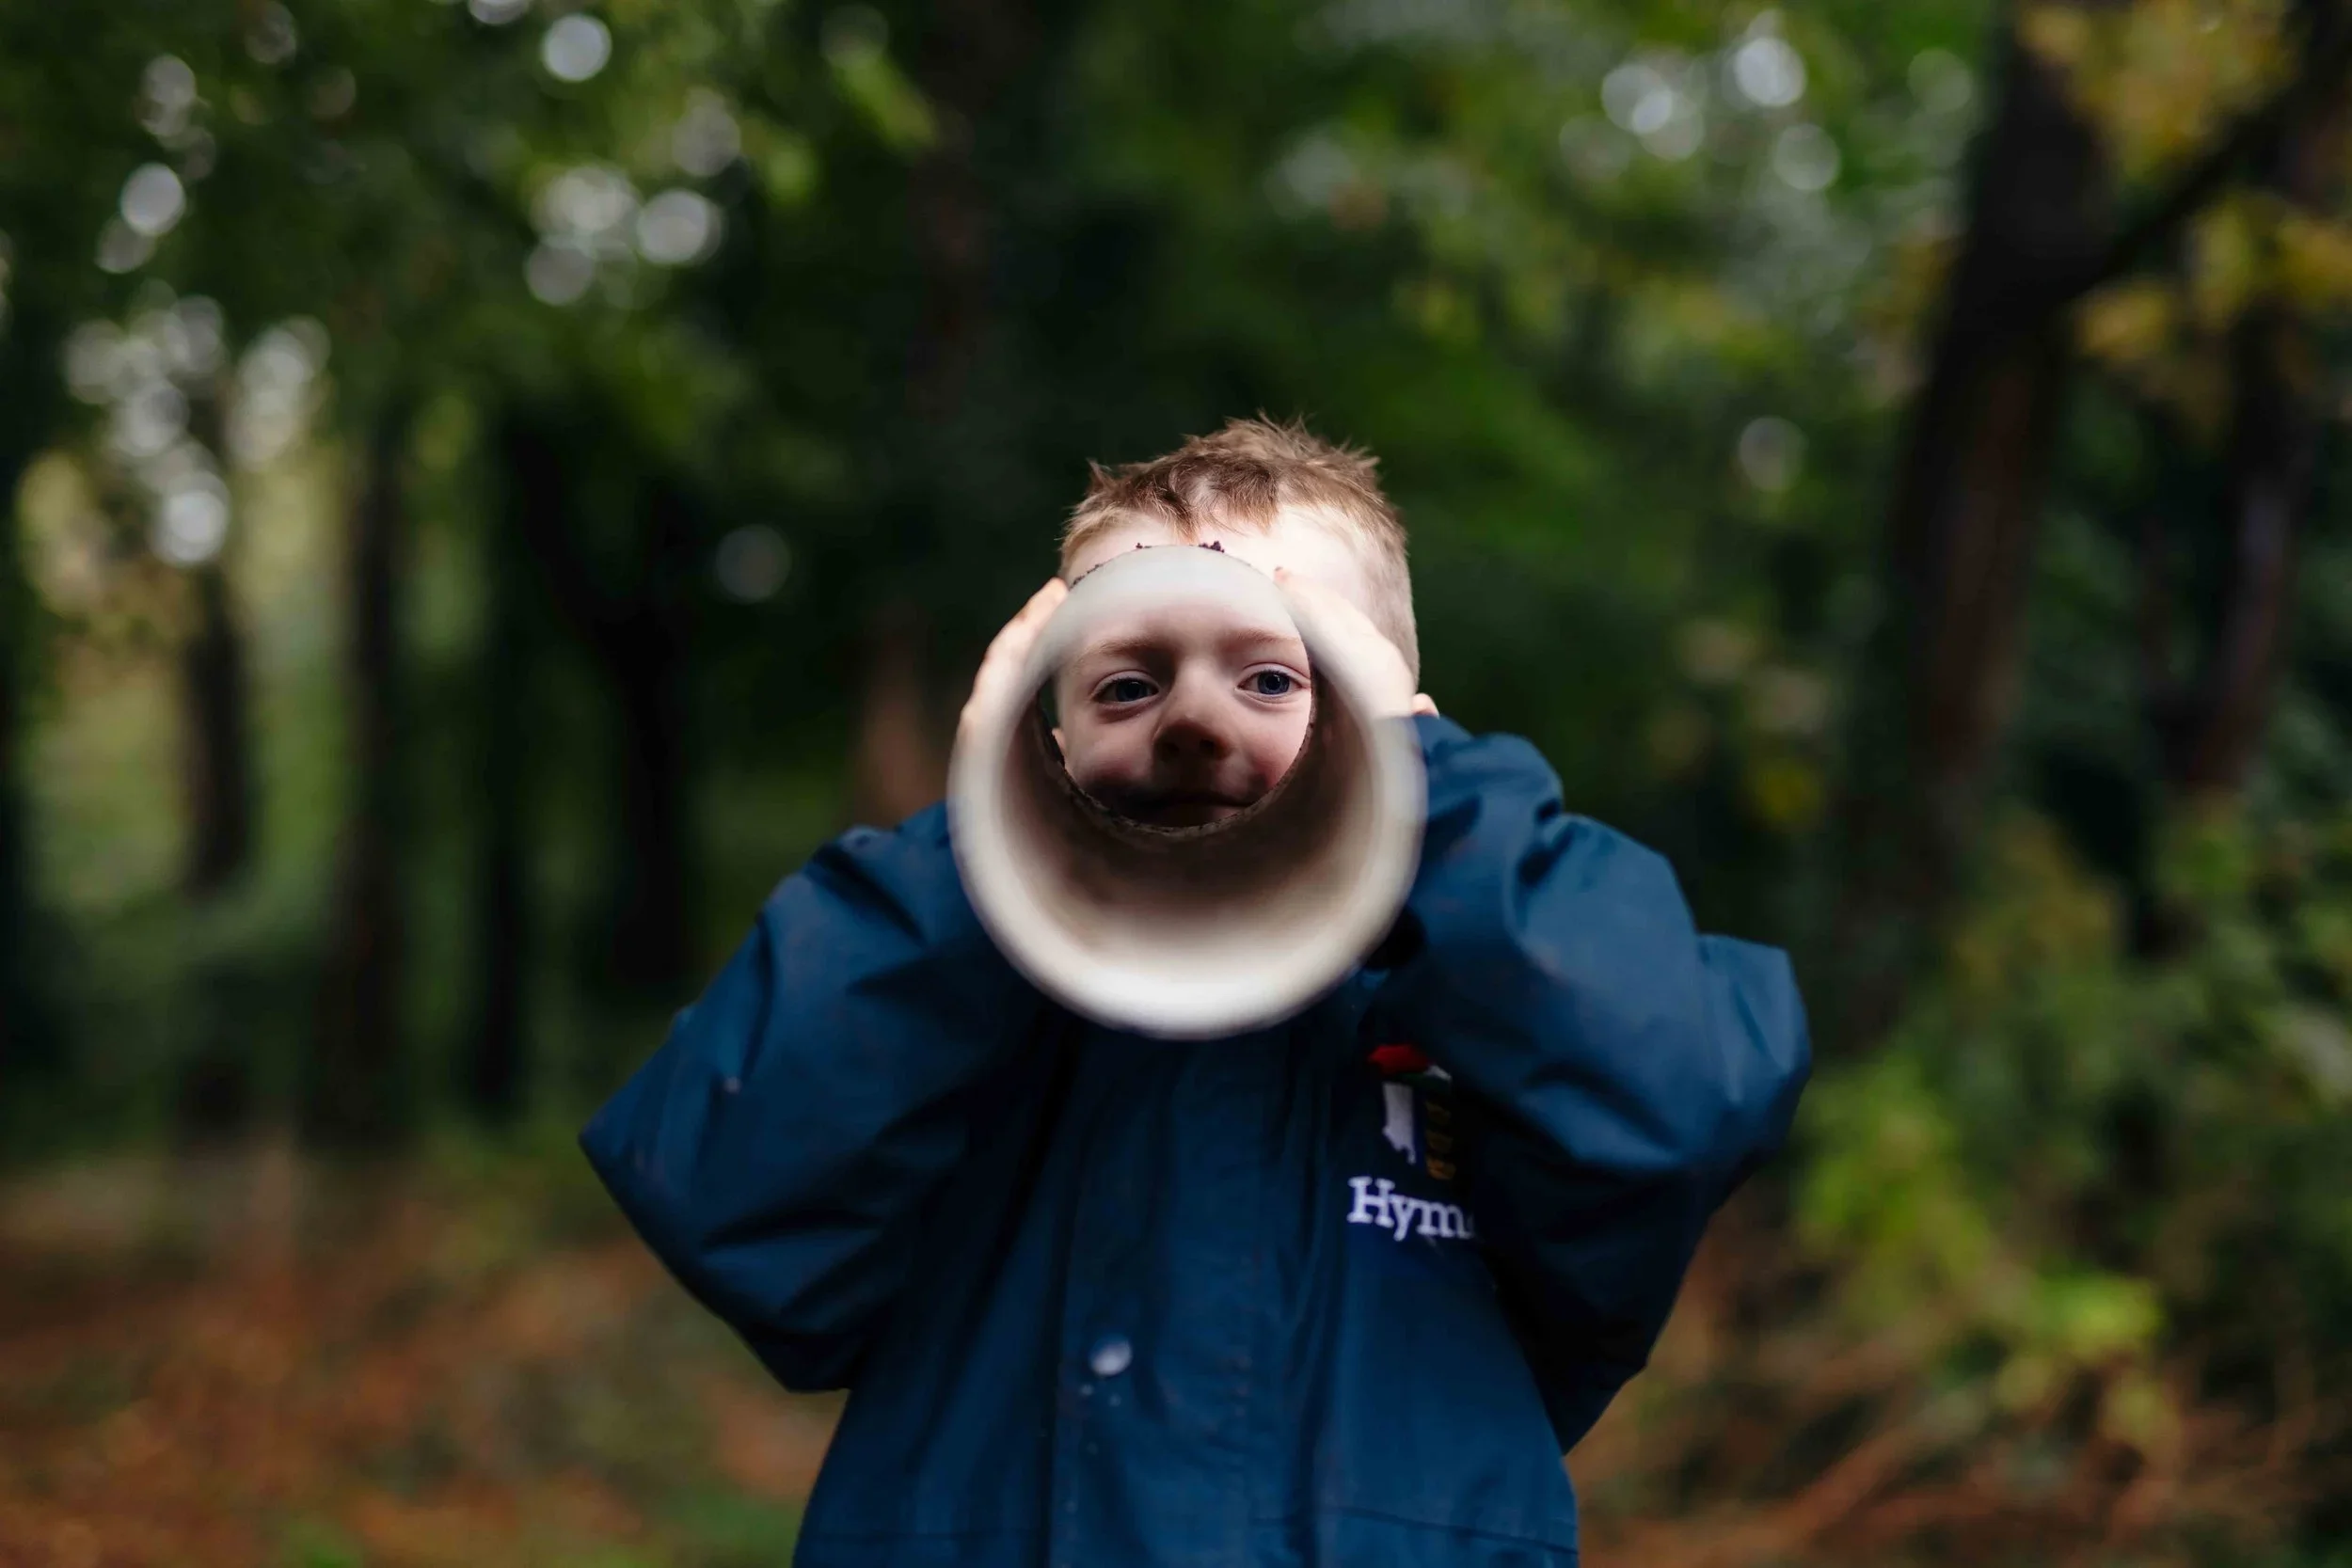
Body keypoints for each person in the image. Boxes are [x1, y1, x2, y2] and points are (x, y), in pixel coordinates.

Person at [581, 418, 1811, 1568]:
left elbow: (1677, 1093)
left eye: (1276, 678)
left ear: (1410, 726)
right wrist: (972, 846)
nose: (1193, 723)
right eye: (1126, 683)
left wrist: (1435, 810)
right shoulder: (957, 1004)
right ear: (1038, 735)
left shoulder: (1479, 1015)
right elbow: (731, 1185)